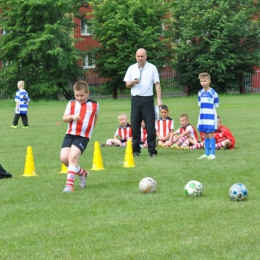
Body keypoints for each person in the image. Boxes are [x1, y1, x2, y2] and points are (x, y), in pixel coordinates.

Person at [60, 81, 99, 193]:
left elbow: (95, 118)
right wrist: (72, 116)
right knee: (64, 158)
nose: (79, 98)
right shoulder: (71, 103)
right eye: (77, 95)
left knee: (73, 157)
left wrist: (90, 131)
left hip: (83, 136)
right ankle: (82, 173)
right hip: (70, 134)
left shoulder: (95, 105)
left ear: (88, 93)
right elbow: (64, 118)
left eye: (82, 95)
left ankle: (69, 186)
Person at [124, 48, 163, 157]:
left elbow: (157, 84)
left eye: (142, 56)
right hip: (136, 99)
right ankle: (136, 150)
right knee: (135, 126)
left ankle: (152, 151)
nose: (140, 58)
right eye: (138, 56)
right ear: (135, 57)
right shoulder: (131, 68)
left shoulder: (152, 68)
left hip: (148, 99)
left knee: (150, 126)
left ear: (146, 56)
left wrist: (159, 100)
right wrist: (133, 82)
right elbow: (127, 84)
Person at [197, 73, 219, 160]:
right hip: (203, 117)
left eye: (204, 81)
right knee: (205, 135)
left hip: (210, 117)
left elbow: (216, 105)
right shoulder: (200, 93)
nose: (203, 83)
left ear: (209, 81)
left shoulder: (213, 93)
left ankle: (212, 154)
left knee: (210, 134)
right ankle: (206, 153)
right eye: (201, 81)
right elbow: (200, 104)